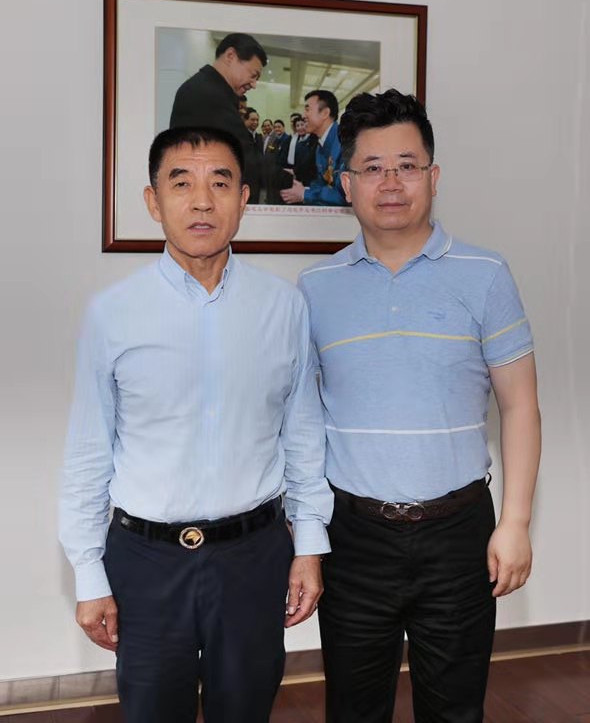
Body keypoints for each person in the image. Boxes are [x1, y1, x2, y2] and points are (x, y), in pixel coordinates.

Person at [60, 126, 333, 723]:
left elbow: (303, 434)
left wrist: (310, 545)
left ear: (244, 198)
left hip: (254, 556)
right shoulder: (112, 314)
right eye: (181, 184)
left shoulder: (283, 307)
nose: (202, 201)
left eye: (221, 183)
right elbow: (88, 451)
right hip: (145, 561)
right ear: (153, 201)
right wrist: (87, 573)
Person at [298, 89, 541, 723]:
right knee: (353, 710)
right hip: (353, 538)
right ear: (346, 184)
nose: (391, 183)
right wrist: (306, 538)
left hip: (459, 535)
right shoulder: (315, 289)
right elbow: (303, 424)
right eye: (372, 168)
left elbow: (520, 406)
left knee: (455, 710)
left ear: (433, 177)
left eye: (407, 166)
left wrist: (515, 522)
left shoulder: (486, 274)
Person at [169, 32, 266, 194]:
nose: (254, 84)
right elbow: (241, 157)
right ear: (230, 56)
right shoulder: (209, 95)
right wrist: (284, 178)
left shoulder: (205, 87)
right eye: (253, 75)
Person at [281, 90, 346, 206]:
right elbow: (321, 183)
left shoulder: (345, 142)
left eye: (307, 109)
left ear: (325, 113)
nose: (303, 115)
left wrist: (305, 194)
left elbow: (346, 195)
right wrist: (303, 190)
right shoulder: (320, 146)